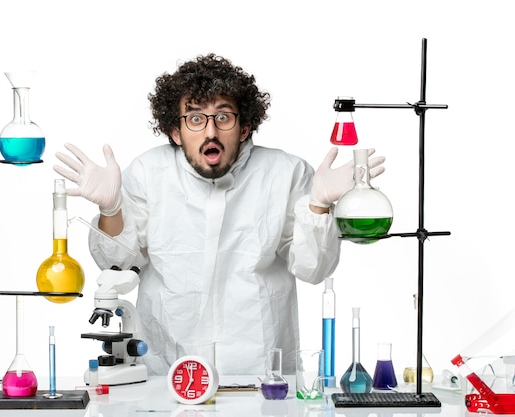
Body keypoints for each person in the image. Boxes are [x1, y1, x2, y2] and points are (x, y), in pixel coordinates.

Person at [54, 53, 384, 376]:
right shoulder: (148, 172)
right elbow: (119, 266)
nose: (210, 132)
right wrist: (110, 209)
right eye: (195, 118)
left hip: (260, 373)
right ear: (175, 131)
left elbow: (313, 269)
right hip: (165, 370)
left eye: (223, 117)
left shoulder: (285, 173)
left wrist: (320, 205)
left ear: (244, 127)